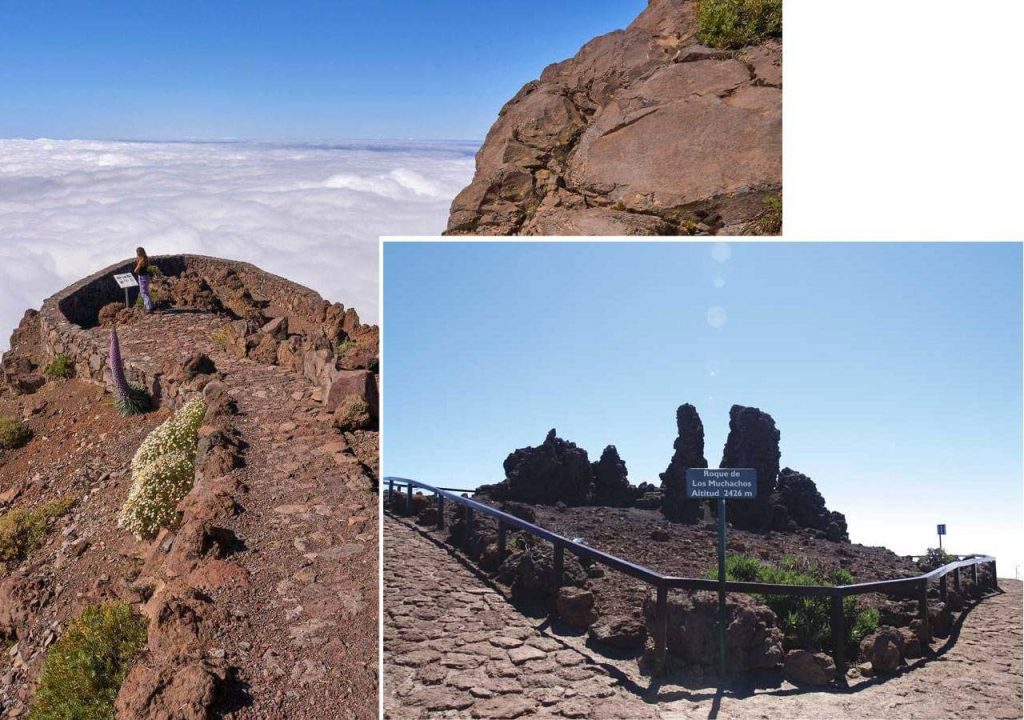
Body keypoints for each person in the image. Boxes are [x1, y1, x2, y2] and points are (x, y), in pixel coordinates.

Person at [134, 247, 154, 313]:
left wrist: (136, 268)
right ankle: (151, 305)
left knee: (144, 293)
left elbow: (136, 270)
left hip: (142, 277)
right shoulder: (146, 259)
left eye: (137, 252)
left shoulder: (141, 260)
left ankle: (149, 308)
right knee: (146, 292)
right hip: (146, 276)